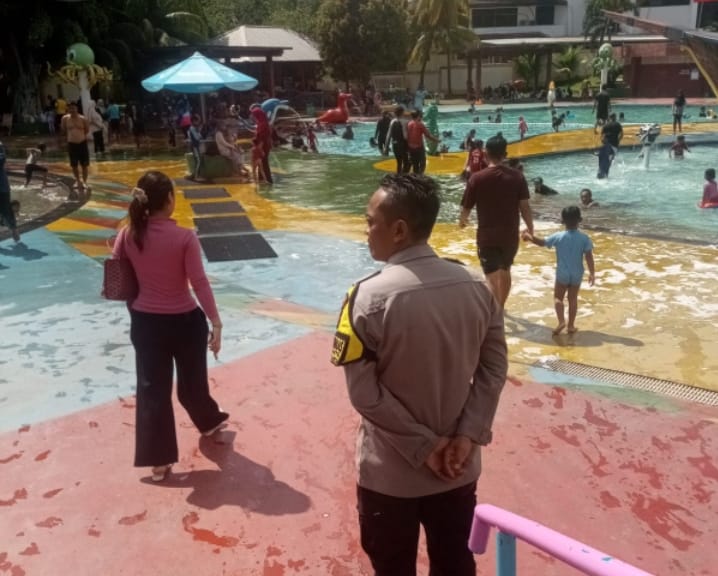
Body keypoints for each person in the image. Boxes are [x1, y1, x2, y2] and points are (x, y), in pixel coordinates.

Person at [331, 172, 508, 576]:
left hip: (390, 477)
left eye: (370, 221)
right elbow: (494, 367)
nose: (366, 230)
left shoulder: (367, 297)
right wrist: (467, 435)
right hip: (457, 469)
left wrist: (425, 447)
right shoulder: (477, 288)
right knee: (455, 564)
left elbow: (364, 395)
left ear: (398, 230)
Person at [112, 171, 229, 482]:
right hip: (185, 322)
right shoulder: (185, 237)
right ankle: (208, 422)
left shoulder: (128, 234)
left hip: (146, 324)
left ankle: (159, 461)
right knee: (192, 382)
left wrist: (137, 306)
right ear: (169, 200)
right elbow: (199, 282)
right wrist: (216, 322)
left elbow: (117, 274)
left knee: (152, 390)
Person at [459, 134, 534, 308]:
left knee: (491, 274)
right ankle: (501, 307)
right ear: (505, 154)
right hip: (510, 235)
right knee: (506, 269)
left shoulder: (477, 178)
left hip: (487, 236)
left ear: (486, 153)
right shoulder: (517, 177)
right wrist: (530, 227)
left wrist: (462, 221)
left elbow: (466, 208)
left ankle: (494, 310)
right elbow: (525, 207)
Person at [522, 206, 595, 335]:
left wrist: (529, 236)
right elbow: (589, 256)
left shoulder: (559, 236)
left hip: (562, 273)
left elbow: (542, 243)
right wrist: (592, 273)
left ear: (562, 221)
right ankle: (571, 326)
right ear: (580, 220)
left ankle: (561, 321)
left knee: (558, 298)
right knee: (573, 299)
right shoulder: (584, 238)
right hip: (577, 273)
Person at [61, 101, 91, 196]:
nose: (72, 110)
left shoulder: (83, 119)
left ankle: (85, 181)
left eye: (74, 108)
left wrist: (79, 135)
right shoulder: (65, 119)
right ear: (68, 109)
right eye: (70, 108)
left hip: (82, 143)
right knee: (74, 165)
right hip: (71, 144)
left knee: (84, 164)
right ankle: (77, 181)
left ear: (77, 108)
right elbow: (64, 130)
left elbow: (87, 130)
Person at [407, 110, 439, 175]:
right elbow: (428, 135)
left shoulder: (409, 124)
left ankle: (415, 176)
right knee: (422, 163)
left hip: (410, 147)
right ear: (418, 116)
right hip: (419, 147)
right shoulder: (420, 124)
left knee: (415, 164)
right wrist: (436, 140)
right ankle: (420, 176)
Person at [0, 141, 20, 242]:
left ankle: (13, 228)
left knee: (6, 210)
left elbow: (2, 159)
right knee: (5, 210)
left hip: (2, 187)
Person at [251, 105, 273, 184]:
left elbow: (262, 137)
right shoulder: (263, 122)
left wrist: (259, 149)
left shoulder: (262, 124)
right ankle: (262, 179)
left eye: (254, 115)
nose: (253, 117)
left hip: (263, 147)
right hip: (264, 146)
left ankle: (268, 180)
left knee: (264, 162)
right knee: (262, 163)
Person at [384, 106, 410, 174]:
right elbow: (406, 136)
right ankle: (404, 177)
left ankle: (399, 176)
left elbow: (388, 135)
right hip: (403, 144)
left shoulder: (392, 121)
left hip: (395, 144)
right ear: (402, 112)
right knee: (406, 162)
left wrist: (386, 147)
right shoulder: (406, 121)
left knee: (399, 163)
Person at [187, 114, 203, 181]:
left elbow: (199, 136)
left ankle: (196, 175)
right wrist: (199, 131)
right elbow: (197, 138)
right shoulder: (192, 128)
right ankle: (196, 177)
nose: (199, 122)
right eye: (198, 121)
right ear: (194, 121)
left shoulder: (194, 128)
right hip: (195, 147)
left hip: (196, 146)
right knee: (198, 161)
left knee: (198, 161)